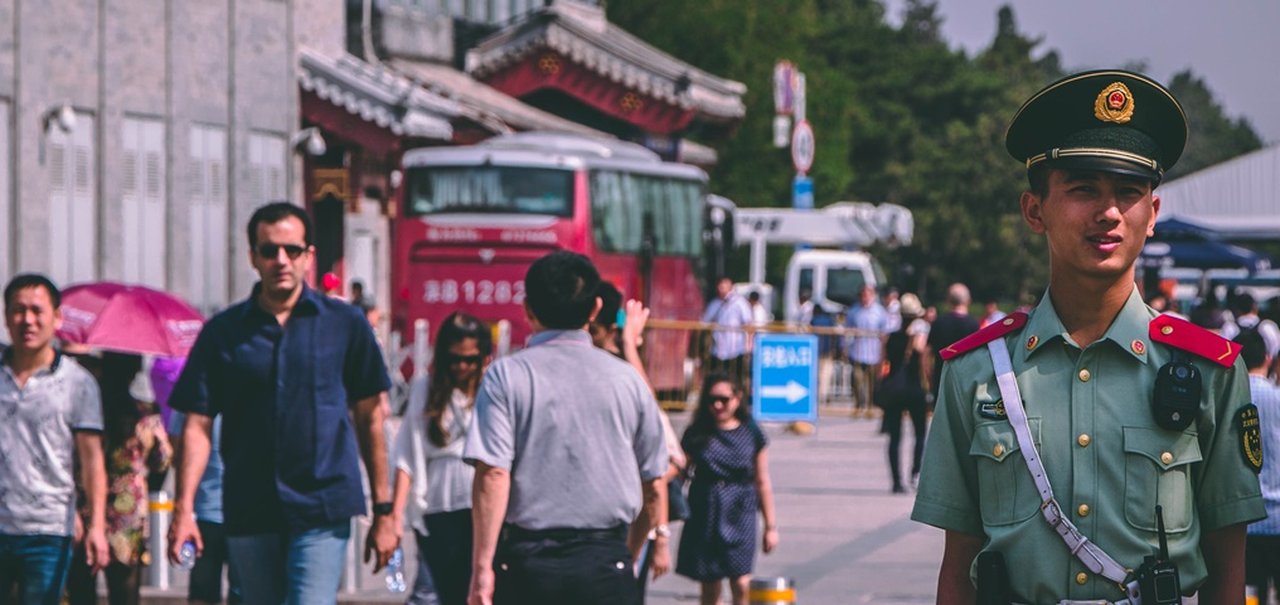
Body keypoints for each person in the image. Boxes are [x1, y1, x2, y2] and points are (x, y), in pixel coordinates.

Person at [912, 70, 1265, 603]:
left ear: (1152, 215)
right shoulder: (978, 374)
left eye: (1129, 191)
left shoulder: (1211, 370)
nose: (1108, 213)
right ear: (1035, 210)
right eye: (1083, 190)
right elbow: (958, 569)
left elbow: (1227, 570)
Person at [167, 202, 394, 605]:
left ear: (309, 256)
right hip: (249, 504)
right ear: (253, 256)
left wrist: (385, 509)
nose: (281, 261)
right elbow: (197, 424)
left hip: (322, 505)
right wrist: (184, 509)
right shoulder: (225, 333)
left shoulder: (344, 325)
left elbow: (370, 418)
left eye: (292, 250)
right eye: (269, 251)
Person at [463, 251, 667, 605]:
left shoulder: (507, 376)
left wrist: (483, 568)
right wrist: (628, 558)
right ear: (594, 309)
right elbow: (654, 486)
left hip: (528, 563)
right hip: (606, 559)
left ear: (528, 309)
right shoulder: (628, 381)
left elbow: (493, 473)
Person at [0, 274, 108, 604]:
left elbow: (92, 459)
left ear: (57, 318)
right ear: (6, 317)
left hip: (48, 528)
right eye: (18, 311)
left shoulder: (78, 382)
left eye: (37, 310)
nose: (27, 320)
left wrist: (97, 526)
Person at [375, 312, 492, 605]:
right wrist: (395, 515)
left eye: (470, 359)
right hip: (437, 505)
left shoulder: (492, 388)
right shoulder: (425, 388)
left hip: (481, 504)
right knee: (439, 592)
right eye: (455, 359)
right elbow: (407, 455)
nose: (462, 366)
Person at [588, 283, 683, 595]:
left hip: (625, 530)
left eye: (592, 330)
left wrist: (660, 538)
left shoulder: (622, 372)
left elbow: (667, 464)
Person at [65, 351, 172, 605]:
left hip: (85, 512)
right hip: (128, 517)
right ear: (135, 373)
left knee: (81, 592)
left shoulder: (86, 413)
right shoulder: (146, 416)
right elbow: (162, 461)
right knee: (125, 594)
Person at [676, 373, 777, 605]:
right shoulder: (697, 432)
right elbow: (680, 473)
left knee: (741, 582)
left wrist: (771, 526)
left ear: (737, 397)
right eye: (712, 400)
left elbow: (762, 480)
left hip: (740, 510)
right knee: (710, 586)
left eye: (724, 399)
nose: (718, 405)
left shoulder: (752, 432)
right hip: (706, 510)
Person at [874, 294, 929, 494]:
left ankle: (896, 481)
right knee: (920, 433)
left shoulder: (889, 337)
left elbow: (881, 363)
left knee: (895, 437)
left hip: (894, 390)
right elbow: (923, 361)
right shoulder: (917, 338)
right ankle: (915, 472)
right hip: (913, 389)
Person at [1240, 329, 1280, 600]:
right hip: (1278, 519)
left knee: (1251, 594)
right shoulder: (1277, 398)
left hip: (1245, 520)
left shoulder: (1232, 399)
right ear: (1267, 358)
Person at [844, 285, 889, 418]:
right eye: (863, 295)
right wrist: (845, 348)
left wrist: (884, 351)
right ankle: (858, 405)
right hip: (857, 350)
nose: (865, 297)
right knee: (857, 379)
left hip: (873, 352)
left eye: (867, 295)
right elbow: (847, 330)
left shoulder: (880, 312)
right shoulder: (854, 310)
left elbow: (885, 332)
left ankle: (870, 406)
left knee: (871, 381)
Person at [926, 282, 979, 395]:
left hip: (941, 379)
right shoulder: (974, 325)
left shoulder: (938, 323)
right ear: (968, 300)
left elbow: (926, 353)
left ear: (948, 300)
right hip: (965, 381)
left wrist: (929, 376)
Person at [701, 277, 753, 380]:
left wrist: (749, 345)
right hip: (718, 350)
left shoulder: (740, 303)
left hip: (736, 350)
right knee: (717, 378)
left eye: (724, 283)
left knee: (735, 379)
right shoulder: (714, 303)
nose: (721, 287)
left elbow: (749, 324)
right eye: (719, 284)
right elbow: (704, 322)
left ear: (730, 285)